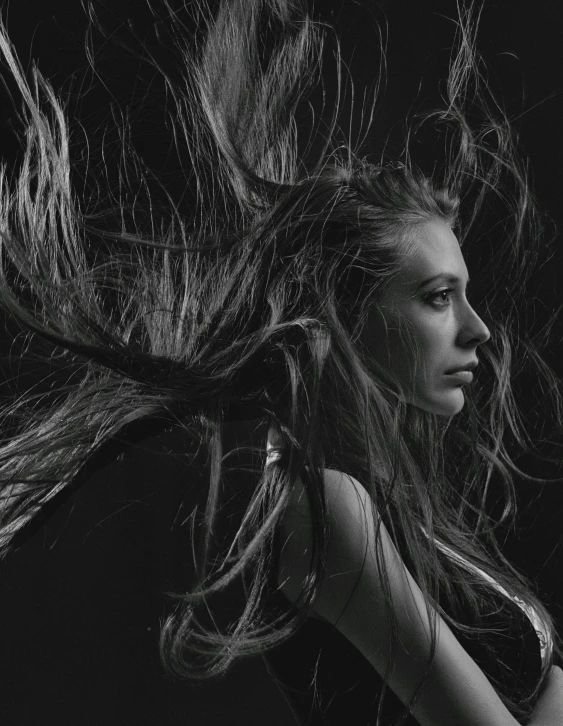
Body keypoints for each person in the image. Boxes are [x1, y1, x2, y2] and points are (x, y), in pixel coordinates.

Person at [0, 1, 562, 724]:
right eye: (435, 298)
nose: (478, 329)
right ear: (342, 315)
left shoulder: (391, 506)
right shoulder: (329, 510)